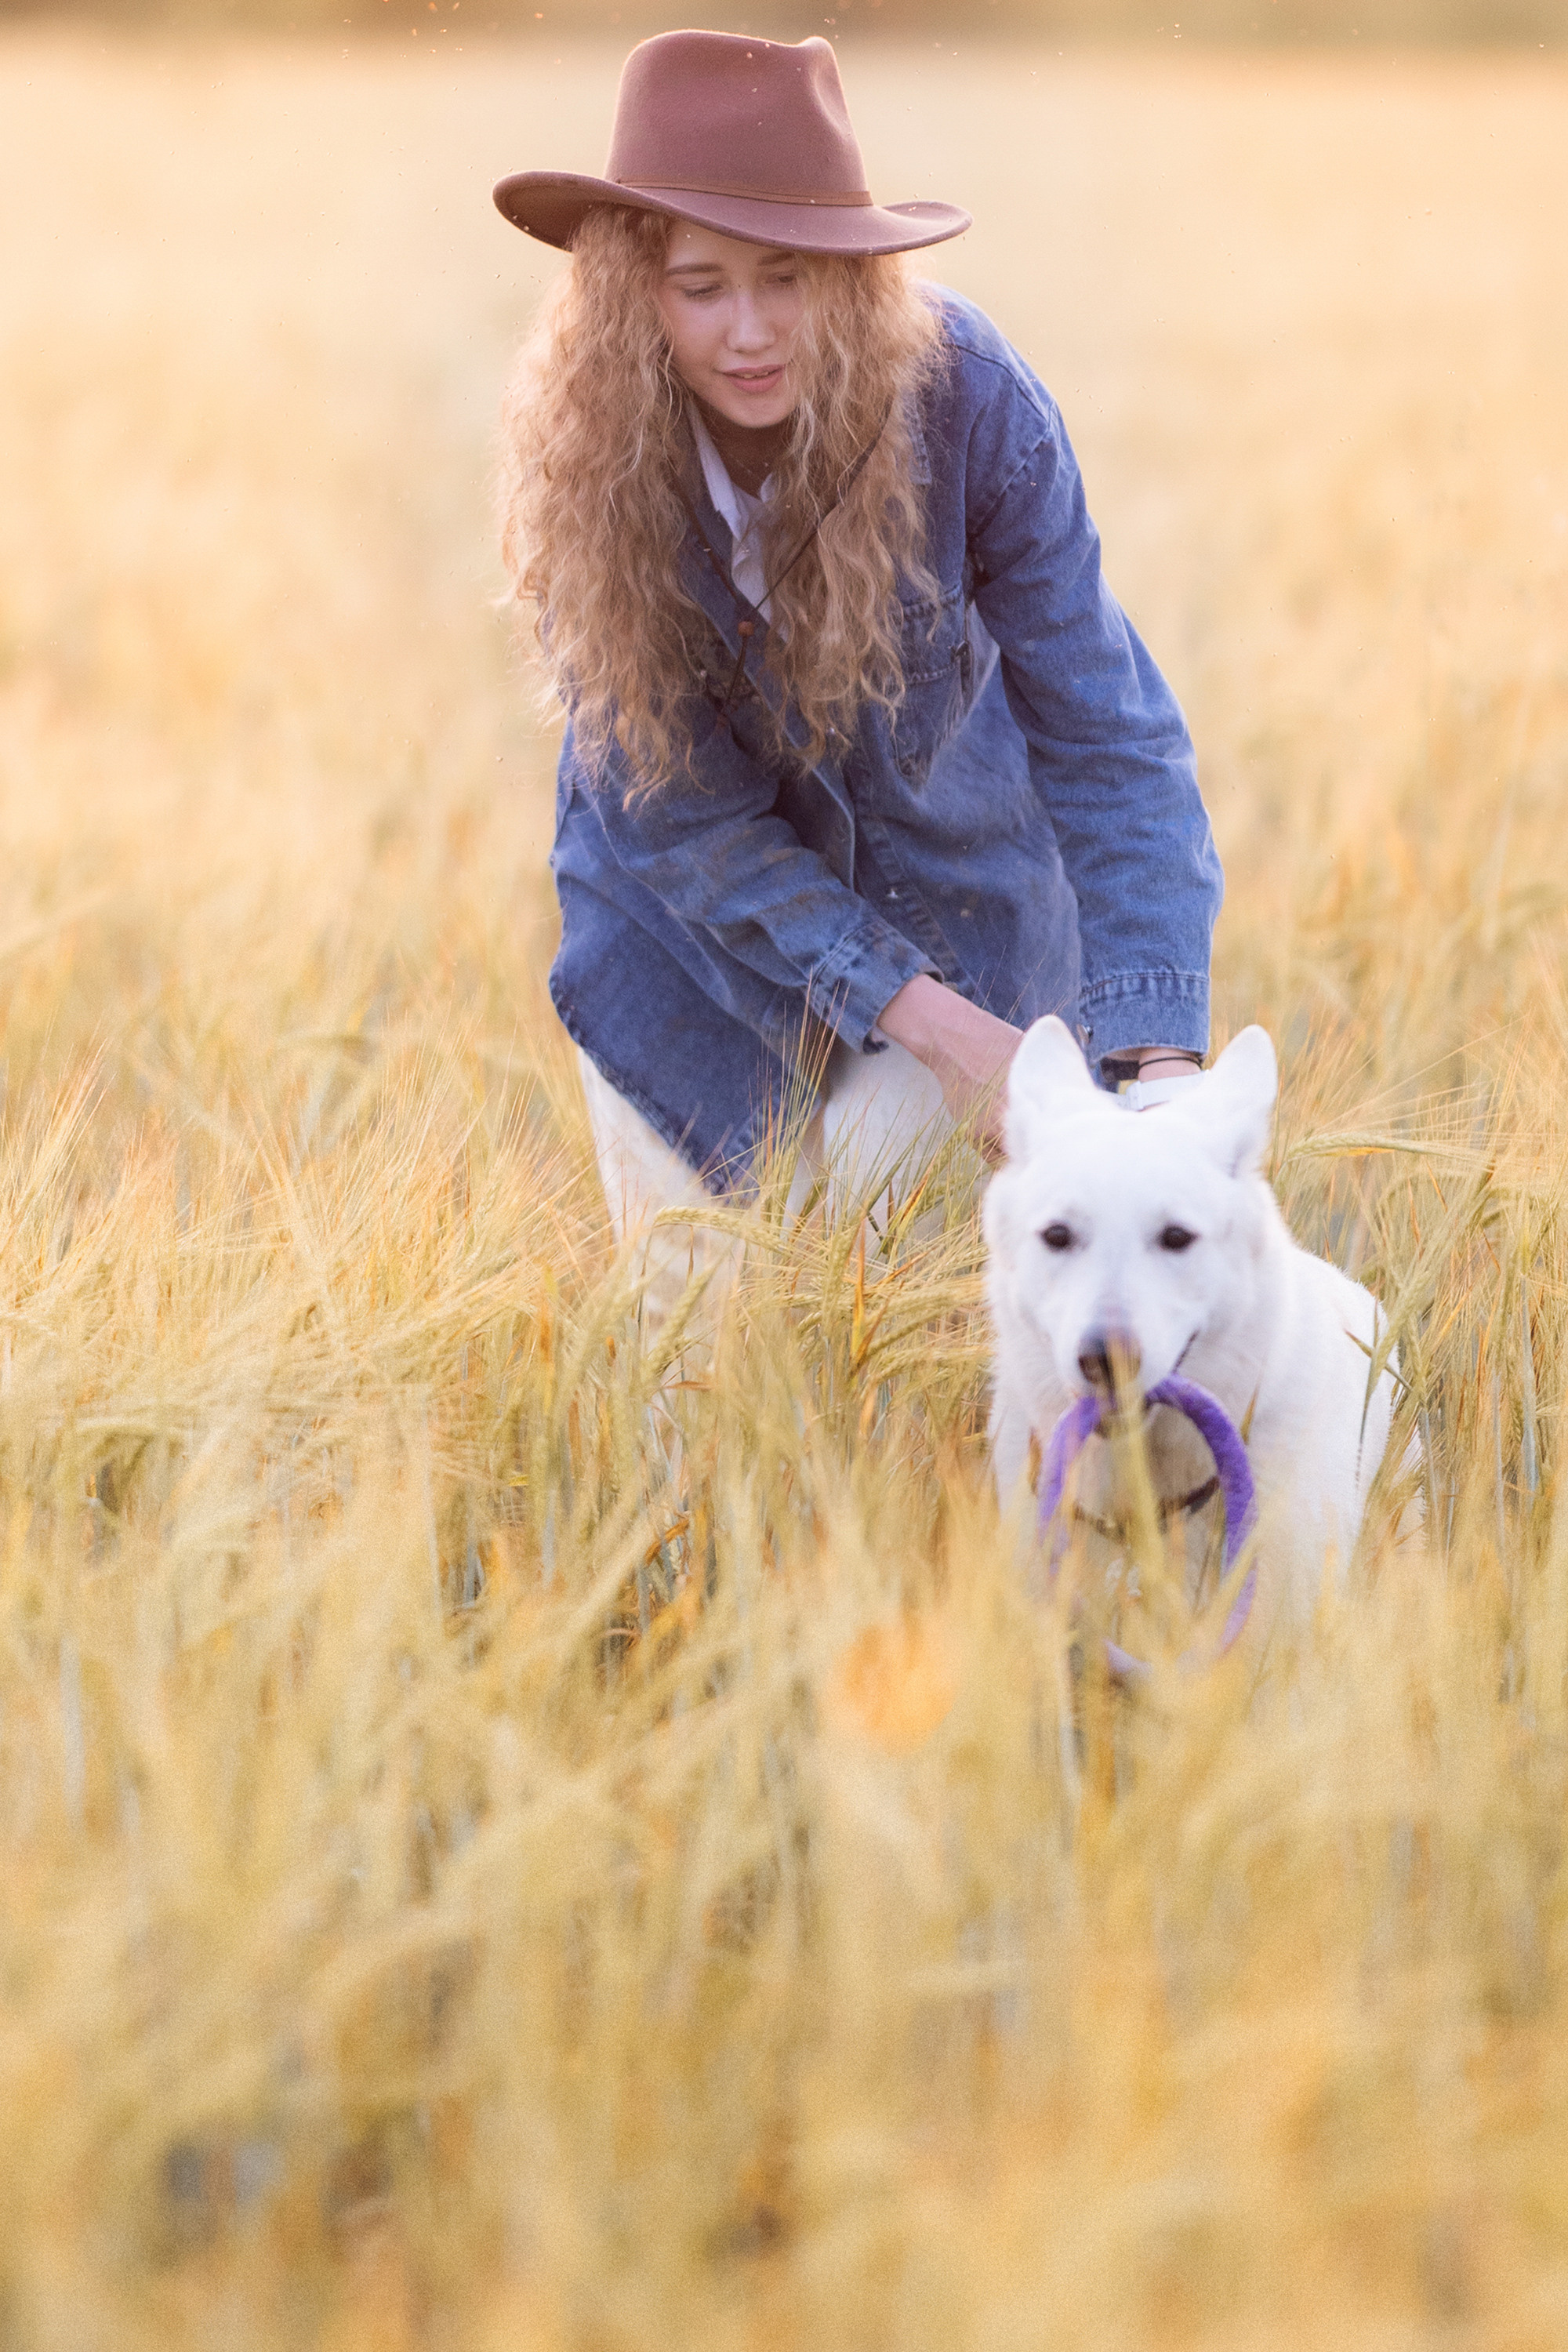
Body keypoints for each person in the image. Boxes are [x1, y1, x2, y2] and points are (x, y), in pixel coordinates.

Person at [494, 31, 1221, 1319]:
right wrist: (935, 1031)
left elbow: (1107, 736)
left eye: (788, 276)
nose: (752, 330)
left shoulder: (970, 403)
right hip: (688, 964)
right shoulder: (586, 468)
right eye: (701, 285)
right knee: (700, 1379)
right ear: (627, 294)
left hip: (965, 926)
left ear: (852, 272)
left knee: (919, 1350)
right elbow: (683, 827)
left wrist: (1157, 1073)